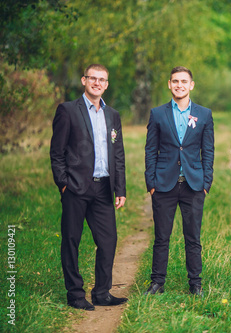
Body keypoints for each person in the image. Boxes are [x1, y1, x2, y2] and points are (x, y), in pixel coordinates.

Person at [50, 64, 127, 311]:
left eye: (102, 79)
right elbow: (57, 152)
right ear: (84, 80)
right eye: (92, 78)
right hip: (75, 187)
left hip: (104, 188)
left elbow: (118, 155)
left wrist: (121, 189)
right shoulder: (68, 110)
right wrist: (63, 184)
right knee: (71, 240)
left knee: (108, 240)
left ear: (106, 84)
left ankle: (102, 293)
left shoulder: (113, 115)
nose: (97, 83)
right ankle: (75, 294)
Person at [144, 66, 214, 296]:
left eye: (184, 81)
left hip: (193, 184)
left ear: (191, 85)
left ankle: (196, 284)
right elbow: (151, 149)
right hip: (164, 183)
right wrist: (151, 182)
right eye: (175, 81)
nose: (179, 85)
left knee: (193, 237)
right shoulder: (158, 114)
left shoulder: (204, 114)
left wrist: (206, 182)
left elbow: (208, 150)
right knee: (161, 237)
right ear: (169, 84)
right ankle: (157, 283)